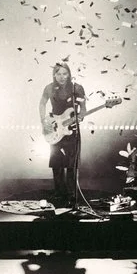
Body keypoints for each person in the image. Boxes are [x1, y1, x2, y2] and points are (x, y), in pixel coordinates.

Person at [39, 61, 87, 208]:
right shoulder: (49, 88)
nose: (62, 77)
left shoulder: (76, 88)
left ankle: (72, 195)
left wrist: (81, 116)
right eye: (58, 74)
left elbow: (83, 107)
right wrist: (44, 121)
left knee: (72, 163)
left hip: (71, 129)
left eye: (65, 73)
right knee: (56, 162)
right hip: (55, 127)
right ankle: (59, 193)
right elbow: (42, 103)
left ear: (69, 74)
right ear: (54, 75)